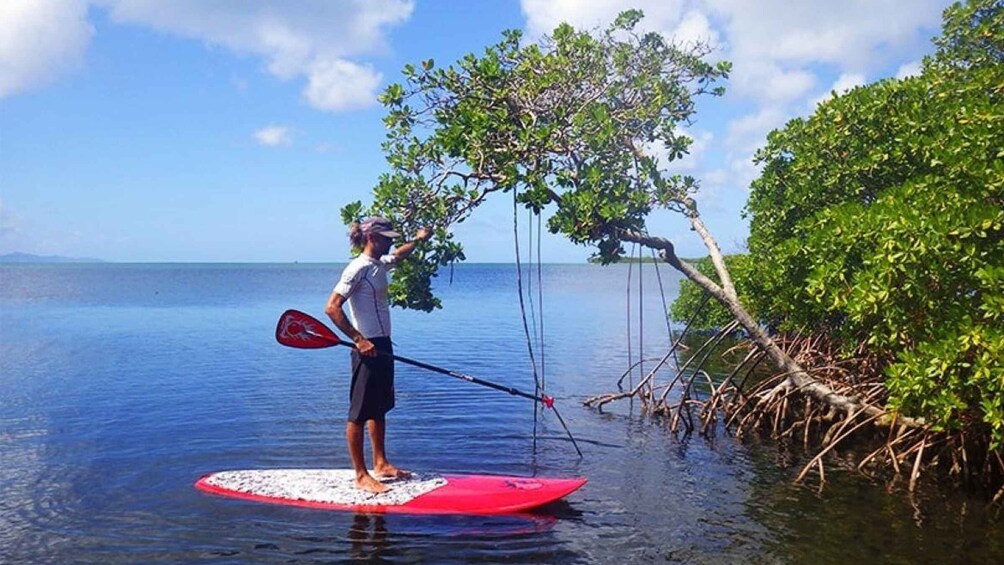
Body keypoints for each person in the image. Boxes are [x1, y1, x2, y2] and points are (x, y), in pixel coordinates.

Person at [325, 216, 432, 493]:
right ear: (372, 238)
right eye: (386, 237)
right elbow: (332, 308)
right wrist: (359, 340)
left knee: (380, 407)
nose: (391, 241)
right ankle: (361, 475)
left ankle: (381, 463)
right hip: (366, 348)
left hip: (383, 346)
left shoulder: (378, 264)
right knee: (359, 413)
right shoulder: (356, 269)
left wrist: (419, 240)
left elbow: (398, 256)